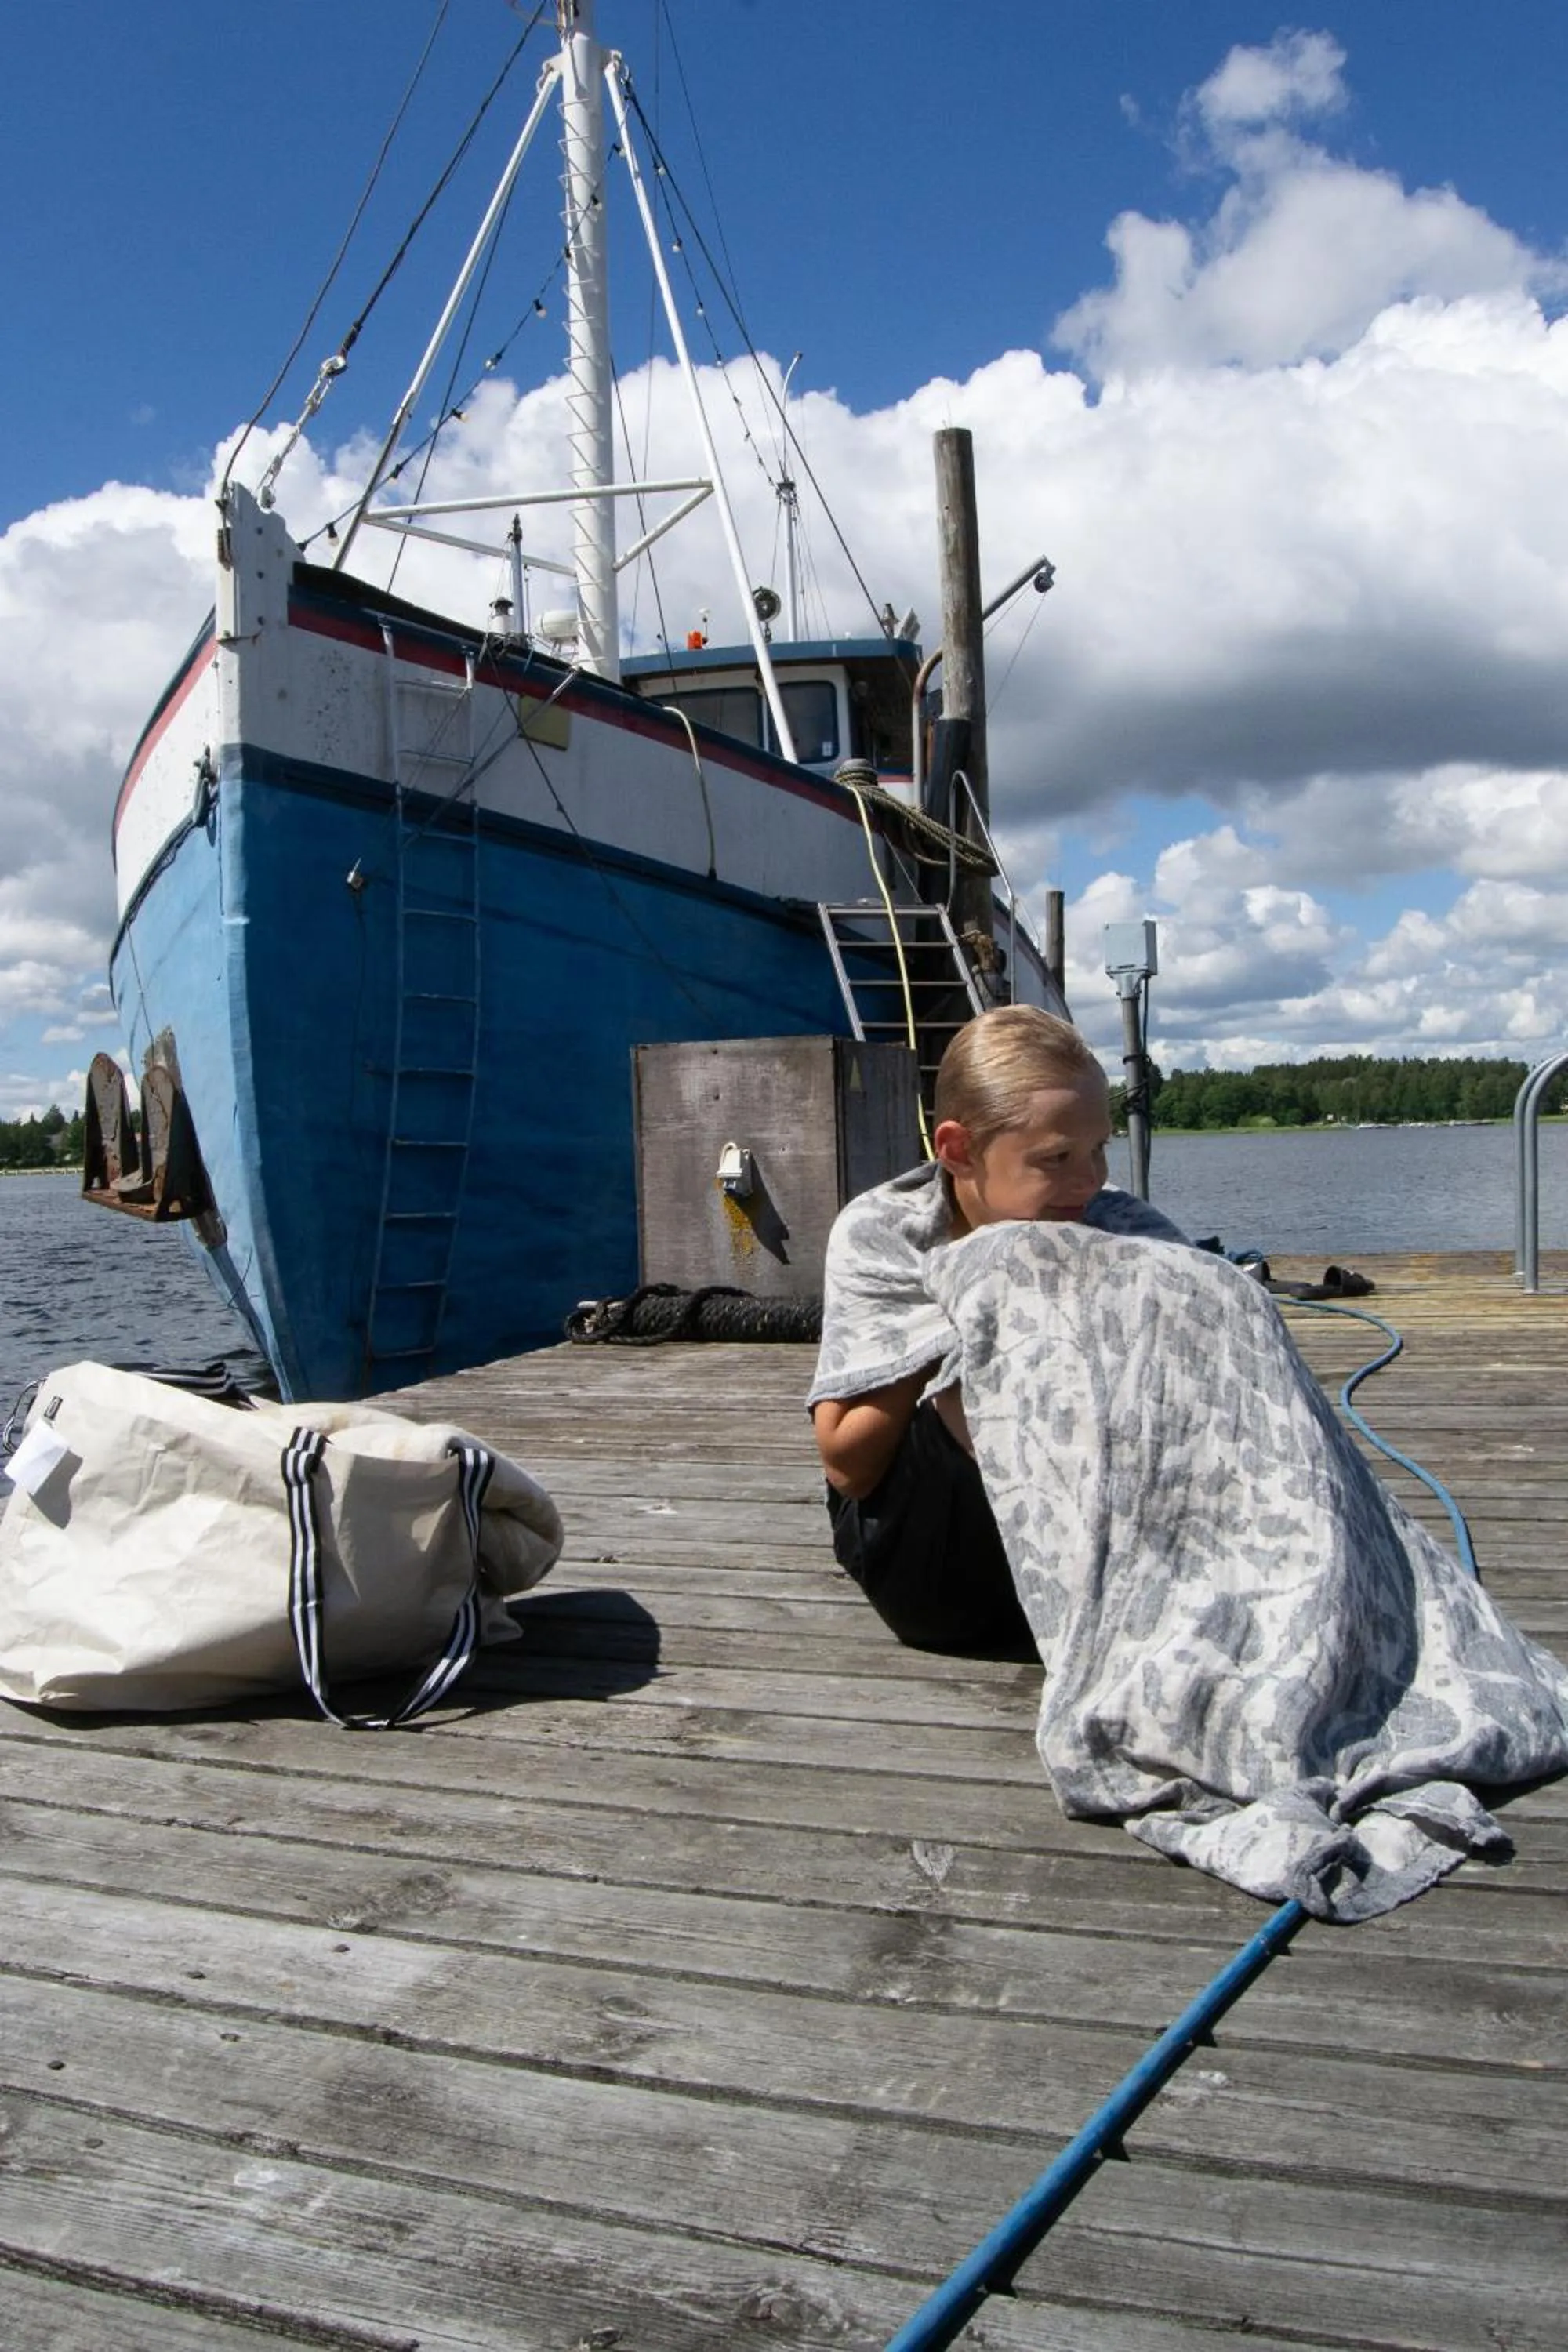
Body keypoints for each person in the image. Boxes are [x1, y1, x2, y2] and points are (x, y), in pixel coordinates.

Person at [808, 1005, 1188, 1657]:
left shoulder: (1122, 1225)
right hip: (937, 1561)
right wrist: (985, 1308)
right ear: (958, 1150)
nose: (1089, 1180)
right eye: (1056, 1157)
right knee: (1001, 1356)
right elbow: (847, 1464)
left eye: (1099, 1149)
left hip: (1116, 1543)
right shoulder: (884, 1236)